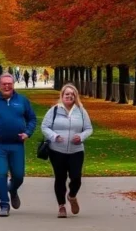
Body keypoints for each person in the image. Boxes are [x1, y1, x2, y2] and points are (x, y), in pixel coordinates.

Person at [0, 73, 37, 217]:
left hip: (17, 144)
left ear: (13, 84)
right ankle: (4, 204)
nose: (7, 86)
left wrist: (27, 133)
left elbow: (32, 119)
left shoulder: (22, 101)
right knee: (1, 174)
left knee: (18, 176)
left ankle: (12, 189)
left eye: (9, 84)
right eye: (4, 84)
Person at [41, 84, 93, 218]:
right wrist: (54, 136)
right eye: (67, 94)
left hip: (76, 150)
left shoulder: (81, 111)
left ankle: (72, 196)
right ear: (62, 96)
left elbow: (88, 128)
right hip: (57, 151)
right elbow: (45, 127)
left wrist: (81, 137)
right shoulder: (54, 111)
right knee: (60, 178)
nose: (70, 96)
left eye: (72, 94)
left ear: (75, 97)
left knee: (76, 178)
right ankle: (61, 206)